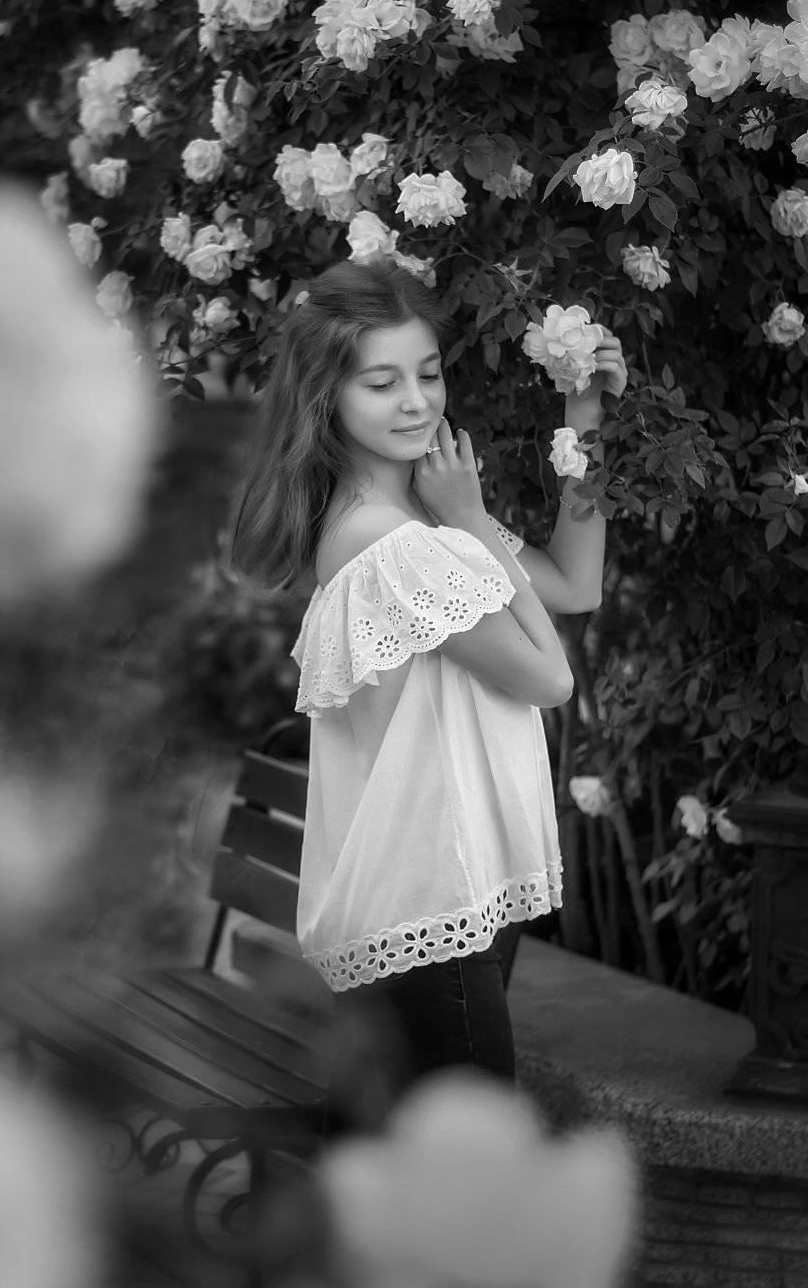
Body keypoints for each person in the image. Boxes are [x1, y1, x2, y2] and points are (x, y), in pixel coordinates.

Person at [227, 259, 627, 1124]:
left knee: (404, 1166)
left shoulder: (417, 521)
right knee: (466, 1170)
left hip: (437, 899)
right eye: (381, 383)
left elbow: (573, 584)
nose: (416, 403)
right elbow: (551, 677)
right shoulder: (397, 544)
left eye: (428, 373)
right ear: (326, 397)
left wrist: (583, 419)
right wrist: (472, 518)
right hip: (423, 911)